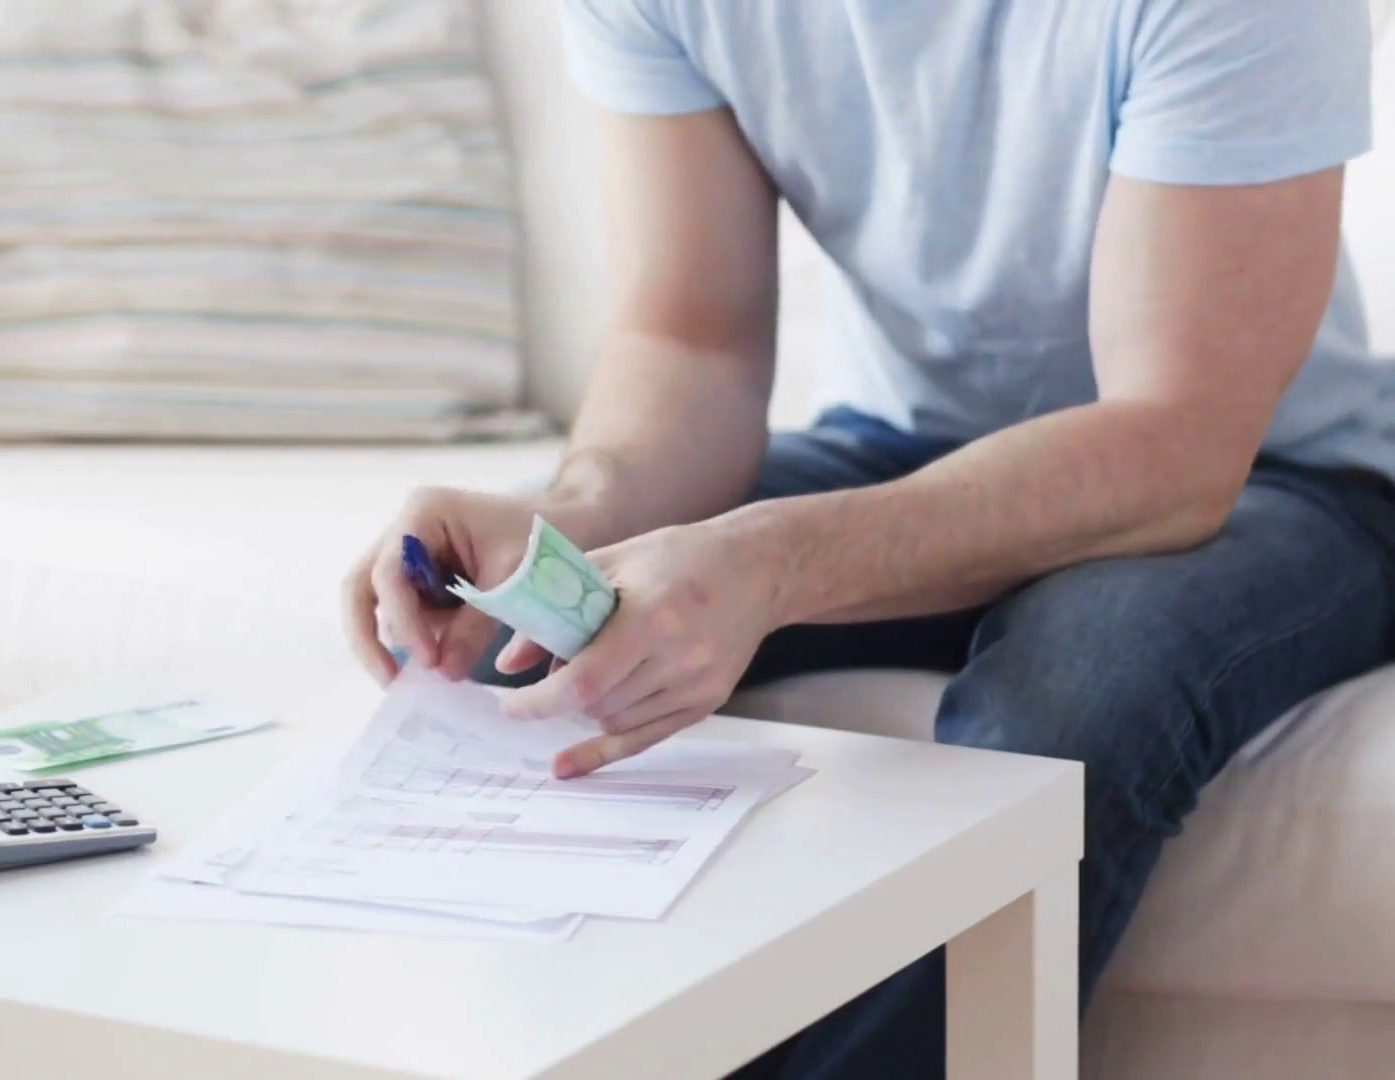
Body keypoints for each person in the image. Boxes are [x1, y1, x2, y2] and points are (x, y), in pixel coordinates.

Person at [343, 1, 1394, 1077]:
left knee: (1067, 702)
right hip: (899, 444)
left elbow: (1173, 444)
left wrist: (776, 562)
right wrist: (558, 536)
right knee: (500, 653)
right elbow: (687, 344)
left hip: (1277, 473)